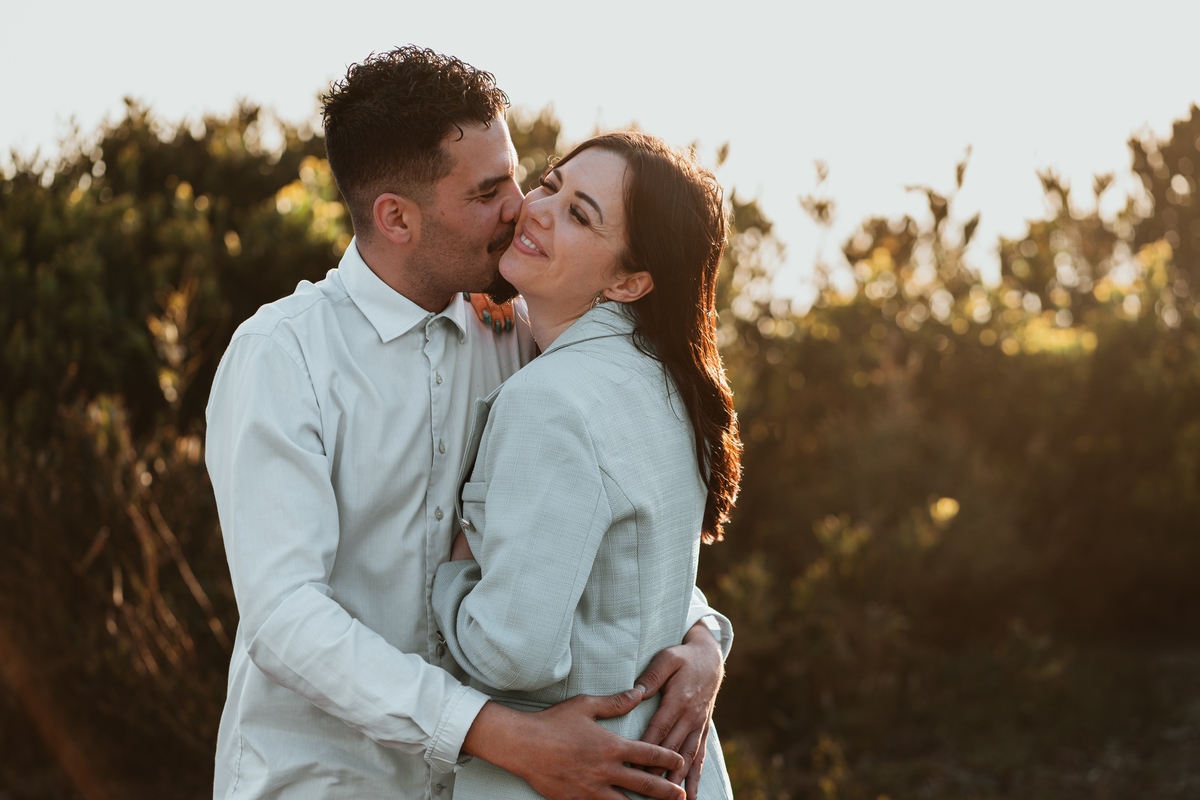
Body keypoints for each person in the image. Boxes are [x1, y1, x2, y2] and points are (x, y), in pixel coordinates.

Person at [204, 46, 731, 800]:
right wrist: (501, 733)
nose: (521, 206)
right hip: (326, 781)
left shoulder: (525, 334)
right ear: (397, 218)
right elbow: (285, 618)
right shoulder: (282, 357)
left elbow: (613, 519)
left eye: (522, 175)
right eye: (490, 191)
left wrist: (704, 640)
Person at [432, 132, 741, 800]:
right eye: (550, 185)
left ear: (629, 280)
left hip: (569, 774)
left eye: (580, 214)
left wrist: (455, 570)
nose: (539, 209)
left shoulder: (550, 401)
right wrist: (706, 637)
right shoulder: (665, 381)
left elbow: (513, 652)